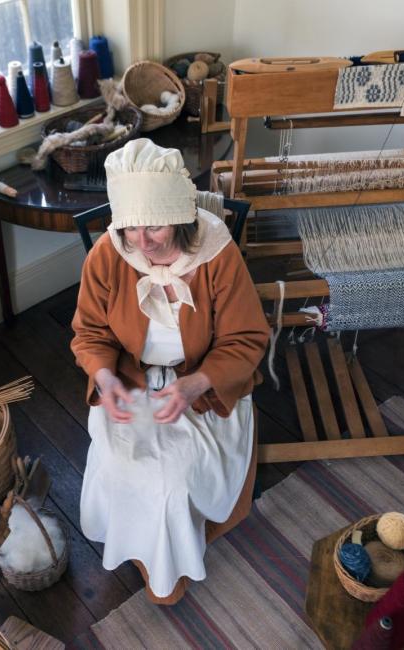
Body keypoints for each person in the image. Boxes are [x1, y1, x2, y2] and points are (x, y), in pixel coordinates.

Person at [71, 138, 270, 605]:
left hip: (203, 384)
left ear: (180, 217)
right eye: (131, 228)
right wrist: (105, 378)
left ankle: (171, 565)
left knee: (174, 480)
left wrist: (196, 383)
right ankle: (144, 553)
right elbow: (89, 332)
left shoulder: (217, 254)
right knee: (126, 465)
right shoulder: (108, 253)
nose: (143, 242)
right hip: (133, 382)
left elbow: (246, 340)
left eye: (156, 227)